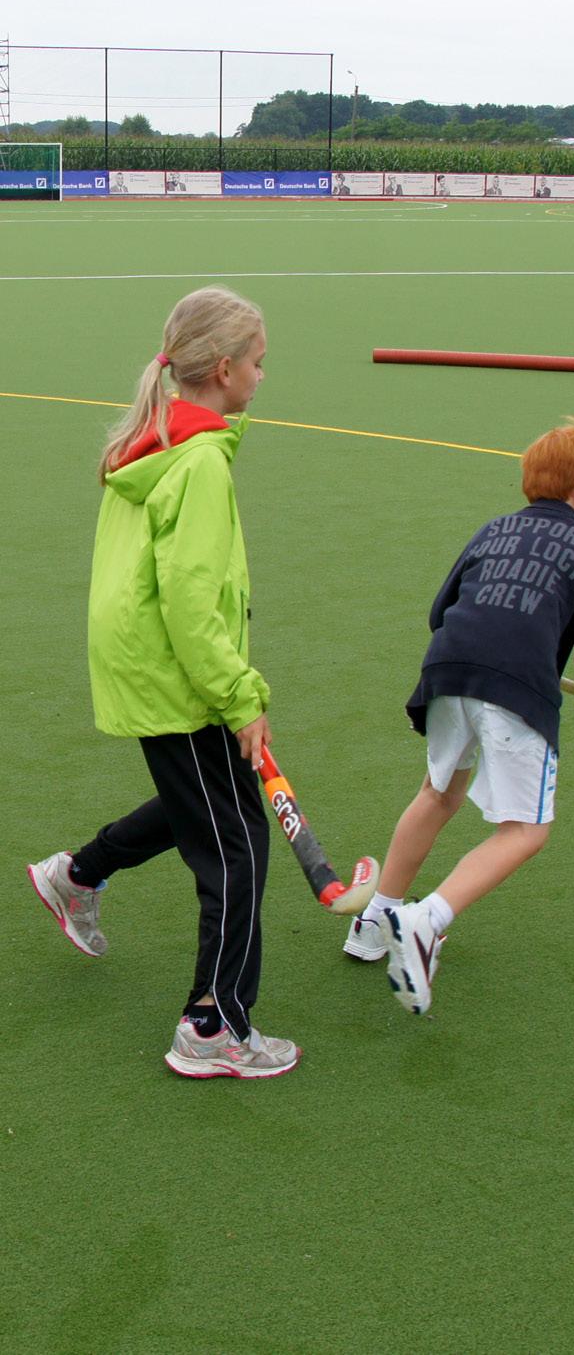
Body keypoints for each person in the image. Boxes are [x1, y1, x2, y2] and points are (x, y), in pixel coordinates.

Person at [26, 287, 300, 1079]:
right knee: (238, 849)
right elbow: (188, 602)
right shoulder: (198, 461)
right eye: (258, 362)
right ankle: (212, 1025)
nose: (262, 375)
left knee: (207, 808)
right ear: (224, 368)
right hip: (176, 673)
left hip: (147, 665)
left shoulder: (157, 437)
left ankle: (76, 874)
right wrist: (240, 697)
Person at [343, 419, 574, 1015]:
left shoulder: (493, 530)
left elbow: (440, 612)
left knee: (438, 793)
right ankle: (424, 921)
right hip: (513, 688)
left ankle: (375, 920)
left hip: (446, 671)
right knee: (525, 830)